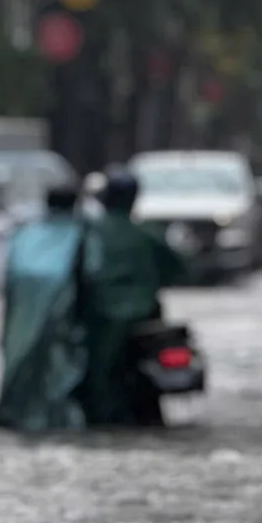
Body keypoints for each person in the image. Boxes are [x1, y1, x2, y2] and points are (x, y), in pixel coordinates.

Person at [75, 169, 188, 426]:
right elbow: (181, 270)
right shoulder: (148, 234)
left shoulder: (88, 233)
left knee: (97, 379)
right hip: (145, 317)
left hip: (100, 318)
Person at [0, 181, 94, 431]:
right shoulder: (82, 233)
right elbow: (91, 274)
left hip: (21, 315)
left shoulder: (25, 233)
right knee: (57, 368)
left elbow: (8, 281)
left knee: (20, 365)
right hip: (60, 309)